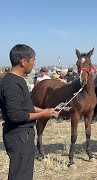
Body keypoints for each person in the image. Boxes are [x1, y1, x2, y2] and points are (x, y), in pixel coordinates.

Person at [0, 44, 59, 180]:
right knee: (21, 175)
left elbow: (26, 107)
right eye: (33, 60)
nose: (34, 63)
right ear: (23, 61)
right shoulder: (11, 83)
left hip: (23, 135)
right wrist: (42, 115)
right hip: (19, 135)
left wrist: (45, 110)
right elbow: (16, 115)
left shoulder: (17, 80)